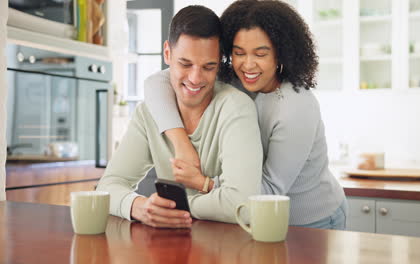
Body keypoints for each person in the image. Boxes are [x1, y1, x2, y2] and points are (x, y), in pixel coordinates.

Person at [144, 0, 347, 229]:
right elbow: (156, 83)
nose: (248, 65)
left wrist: (204, 183)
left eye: (260, 54)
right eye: (239, 53)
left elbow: (269, 190)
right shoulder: (236, 81)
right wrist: (181, 142)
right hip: (255, 219)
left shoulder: (296, 107)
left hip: (312, 220)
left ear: (280, 54)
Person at [96, 5, 263, 228]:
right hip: (172, 247)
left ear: (220, 62)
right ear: (167, 53)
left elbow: (242, 204)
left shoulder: (236, 109)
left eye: (208, 67)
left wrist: (174, 209)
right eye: (185, 64)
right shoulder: (149, 113)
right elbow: (109, 184)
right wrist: (140, 206)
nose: (195, 78)